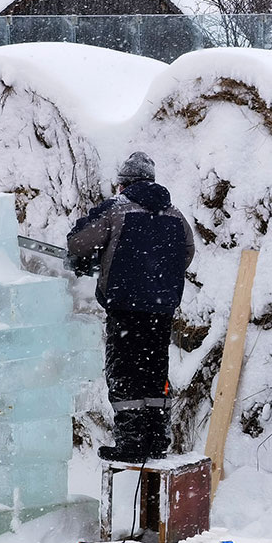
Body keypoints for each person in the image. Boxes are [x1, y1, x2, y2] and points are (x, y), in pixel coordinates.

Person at [67, 151, 195, 461]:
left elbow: (78, 243)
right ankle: (155, 438)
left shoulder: (116, 210)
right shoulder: (176, 215)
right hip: (161, 310)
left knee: (124, 373)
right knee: (154, 372)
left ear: (123, 184)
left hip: (125, 306)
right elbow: (187, 253)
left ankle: (130, 443)